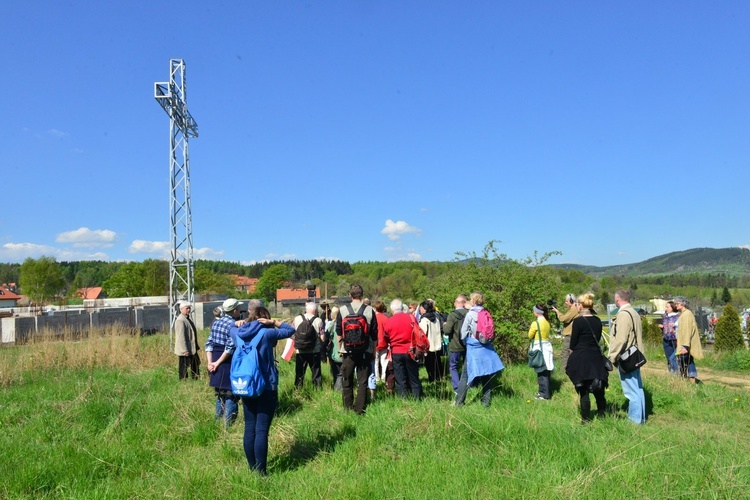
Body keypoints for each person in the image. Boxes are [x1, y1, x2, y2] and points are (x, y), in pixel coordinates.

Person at [229, 307, 295, 475]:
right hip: (266, 386)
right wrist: (274, 322)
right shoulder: (267, 333)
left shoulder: (238, 333)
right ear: (265, 319)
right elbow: (291, 330)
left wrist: (237, 323)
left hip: (247, 385)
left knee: (249, 427)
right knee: (261, 430)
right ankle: (262, 472)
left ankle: (252, 468)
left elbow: (231, 328)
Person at [454, 292, 504, 407]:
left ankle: (459, 403)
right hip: (486, 347)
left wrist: (466, 342)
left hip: (474, 347)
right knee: (486, 375)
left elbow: (463, 333)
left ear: (473, 301)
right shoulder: (486, 313)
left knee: (465, 376)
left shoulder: (471, 314)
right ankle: (486, 403)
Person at [565, 293, 608, 423]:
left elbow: (573, 343)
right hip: (595, 357)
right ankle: (602, 414)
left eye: (577, 304)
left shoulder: (578, 321)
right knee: (599, 389)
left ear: (581, 306)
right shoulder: (597, 320)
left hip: (582, 357)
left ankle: (585, 419)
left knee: (583, 391)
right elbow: (598, 338)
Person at [335, 284, 378, 414]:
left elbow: (338, 331)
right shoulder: (369, 310)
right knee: (362, 381)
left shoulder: (342, 310)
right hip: (365, 350)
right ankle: (359, 409)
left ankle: (347, 408)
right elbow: (374, 333)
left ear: (350, 295)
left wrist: (340, 349)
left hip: (347, 351)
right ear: (362, 294)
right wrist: (374, 351)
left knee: (347, 380)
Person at [608, 289, 646, 424]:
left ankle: (635, 420)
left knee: (631, 391)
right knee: (638, 388)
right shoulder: (634, 312)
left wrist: (612, 357)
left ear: (617, 299)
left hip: (627, 357)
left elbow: (621, 339)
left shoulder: (623, 315)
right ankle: (641, 417)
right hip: (635, 355)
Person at [205, 298, 244, 425]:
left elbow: (209, 344)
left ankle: (217, 423)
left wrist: (210, 362)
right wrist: (218, 363)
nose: (239, 310)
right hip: (227, 362)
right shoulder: (233, 325)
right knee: (231, 394)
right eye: (238, 308)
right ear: (234, 311)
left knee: (220, 394)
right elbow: (230, 347)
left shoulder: (216, 323)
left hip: (215, 359)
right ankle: (228, 426)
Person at [383, 298, 424, 399]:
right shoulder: (411, 318)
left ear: (392, 310)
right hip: (410, 350)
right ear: (402, 308)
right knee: (413, 376)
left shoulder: (389, 321)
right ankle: (417, 397)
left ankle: (403, 398)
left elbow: (386, 336)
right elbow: (417, 332)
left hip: (396, 351)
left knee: (400, 378)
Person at [293, 302, 324, 389]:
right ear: (315, 310)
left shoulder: (297, 319)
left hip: (300, 351)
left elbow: (292, 334)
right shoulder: (318, 320)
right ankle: (317, 390)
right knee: (316, 373)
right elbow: (323, 337)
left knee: (299, 372)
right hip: (314, 351)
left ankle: (298, 390)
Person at [673, 296, 704, 384]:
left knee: (683, 361)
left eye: (677, 303)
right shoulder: (684, 314)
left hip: (685, 344)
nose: (676, 305)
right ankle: (687, 379)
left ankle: (688, 379)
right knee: (687, 361)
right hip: (684, 343)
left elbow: (687, 330)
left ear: (683, 303)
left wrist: (685, 346)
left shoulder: (687, 314)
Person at [528, 303, 554, 400]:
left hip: (539, 348)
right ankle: (545, 391)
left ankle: (544, 394)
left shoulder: (536, 323)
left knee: (541, 371)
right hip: (547, 346)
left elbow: (530, 336)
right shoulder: (547, 322)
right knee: (546, 371)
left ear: (537, 312)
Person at [443, 294, 469, 393]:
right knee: (466, 366)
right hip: (467, 344)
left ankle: (457, 388)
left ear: (457, 303)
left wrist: (444, 325)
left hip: (455, 345)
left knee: (453, 366)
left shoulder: (452, 315)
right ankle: (468, 385)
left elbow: (447, 330)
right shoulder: (469, 313)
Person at [174, 300, 200, 380]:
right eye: (187, 308)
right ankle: (183, 381)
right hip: (185, 349)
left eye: (189, 308)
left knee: (195, 364)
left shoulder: (187, 318)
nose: (189, 310)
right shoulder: (180, 320)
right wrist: (184, 350)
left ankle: (195, 379)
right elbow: (181, 337)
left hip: (192, 348)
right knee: (184, 366)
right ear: (181, 309)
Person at [373, 300, 395, 394]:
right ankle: (384, 377)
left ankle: (377, 378)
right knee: (384, 362)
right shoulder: (386, 318)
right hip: (385, 342)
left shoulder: (374, 318)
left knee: (376, 362)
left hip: (376, 342)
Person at [551, 294, 579, 369]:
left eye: (566, 301)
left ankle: (565, 369)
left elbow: (564, 319)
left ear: (571, 301)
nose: (565, 303)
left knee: (565, 352)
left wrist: (557, 312)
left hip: (570, 334)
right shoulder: (575, 308)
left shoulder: (573, 309)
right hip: (572, 334)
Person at [419, 300, 444, 383]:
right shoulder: (436, 318)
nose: (420, 310)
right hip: (437, 344)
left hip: (429, 346)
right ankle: (439, 378)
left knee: (429, 364)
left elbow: (422, 334)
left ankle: (432, 379)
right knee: (437, 362)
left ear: (424, 309)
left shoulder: (424, 320)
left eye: (421, 308)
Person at [325, 306, 343, 391]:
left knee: (336, 373)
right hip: (344, 351)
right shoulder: (344, 323)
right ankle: (341, 388)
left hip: (334, 353)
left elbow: (326, 336)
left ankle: (337, 390)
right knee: (342, 373)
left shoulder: (332, 324)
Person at [659, 300, 679, 373]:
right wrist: (662, 327)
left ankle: (677, 373)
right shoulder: (665, 316)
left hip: (674, 339)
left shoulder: (677, 316)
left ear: (672, 308)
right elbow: (665, 326)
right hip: (666, 339)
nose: (666, 308)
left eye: (667, 307)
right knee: (668, 358)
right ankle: (671, 372)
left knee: (674, 358)